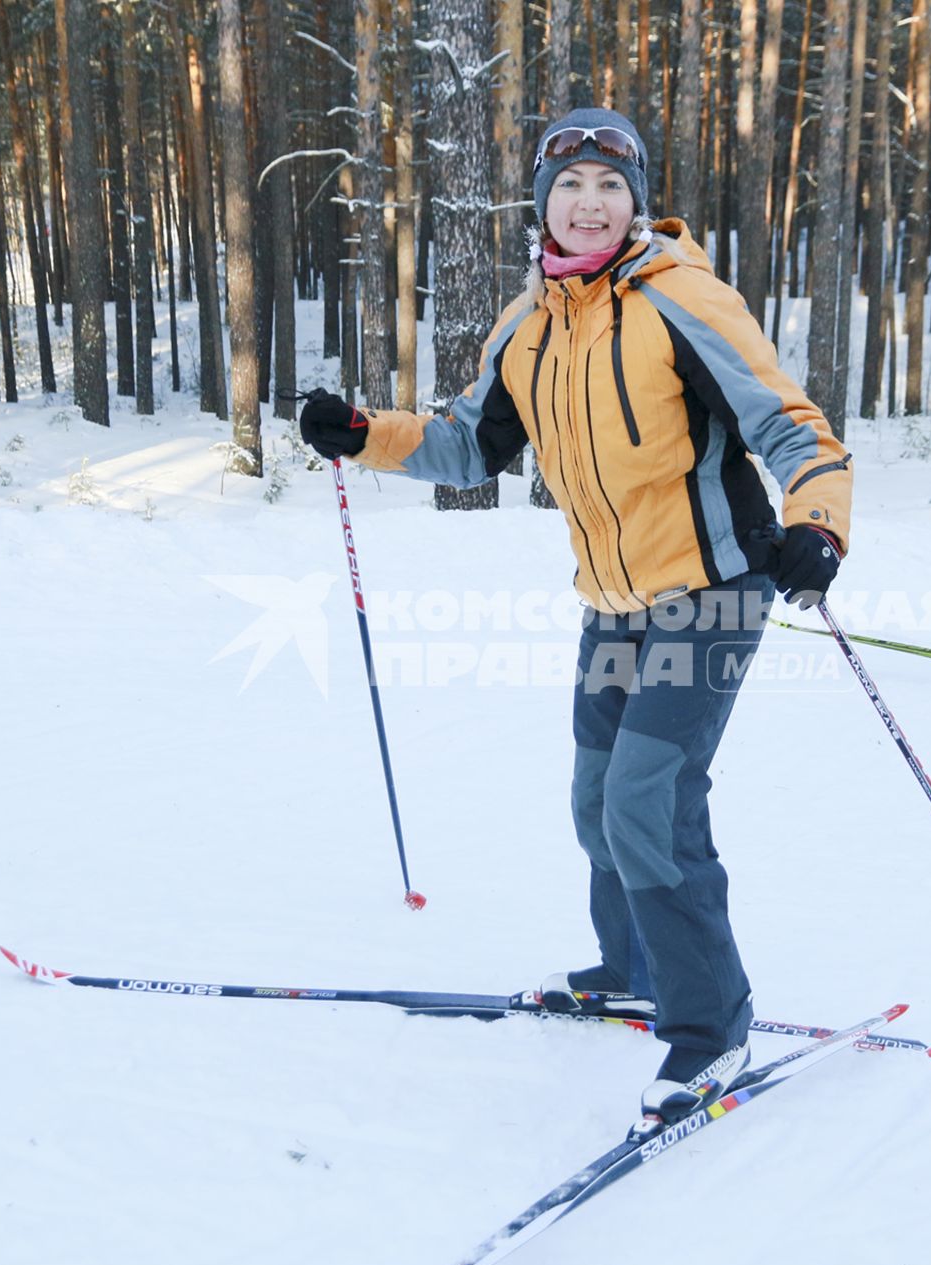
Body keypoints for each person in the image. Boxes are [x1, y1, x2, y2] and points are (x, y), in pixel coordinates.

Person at [298, 108, 853, 1135]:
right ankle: (633, 972)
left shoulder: (685, 299)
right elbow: (469, 446)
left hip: (716, 588)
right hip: (613, 599)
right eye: (570, 185)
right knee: (598, 798)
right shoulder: (531, 322)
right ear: (542, 205)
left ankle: (711, 1025)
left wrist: (817, 523)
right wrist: (365, 435)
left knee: (648, 799)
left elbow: (792, 425)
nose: (590, 201)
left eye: (610, 183)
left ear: (635, 200)